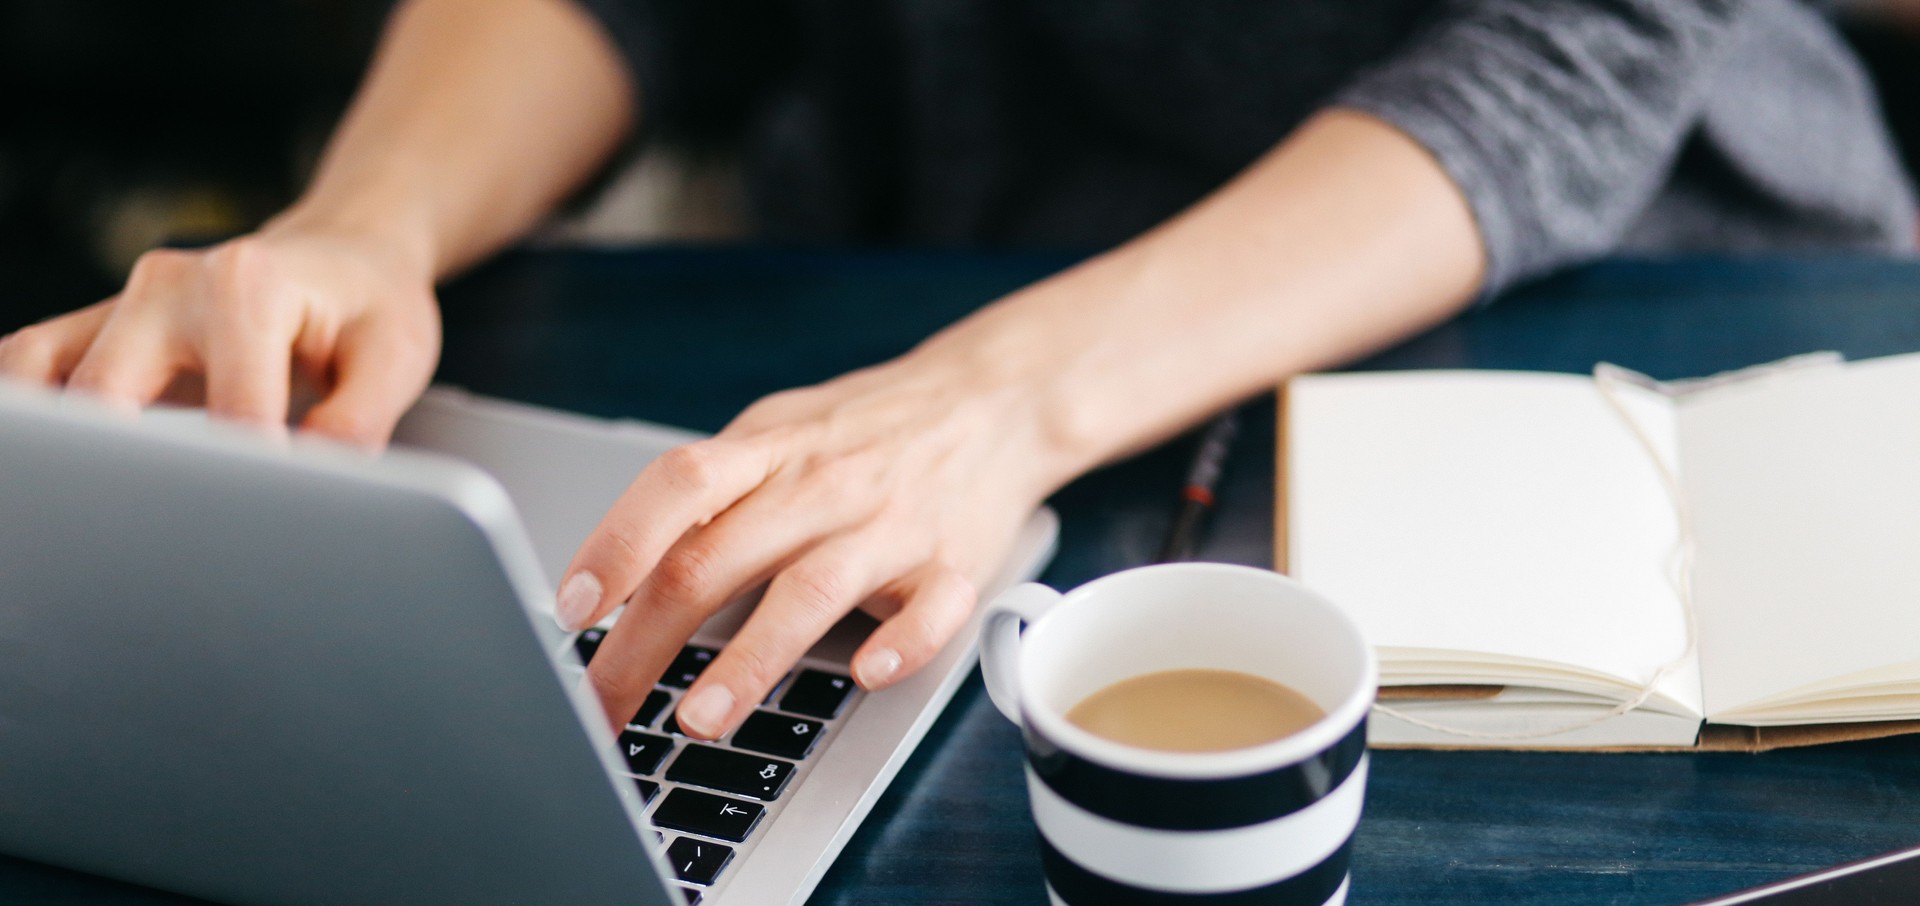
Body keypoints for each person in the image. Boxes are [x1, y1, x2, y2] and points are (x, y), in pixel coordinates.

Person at [0, 0, 1912, 743]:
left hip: (1616, 310)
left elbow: (1578, 51)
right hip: (946, 294)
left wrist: (1001, 399)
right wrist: (368, 221)